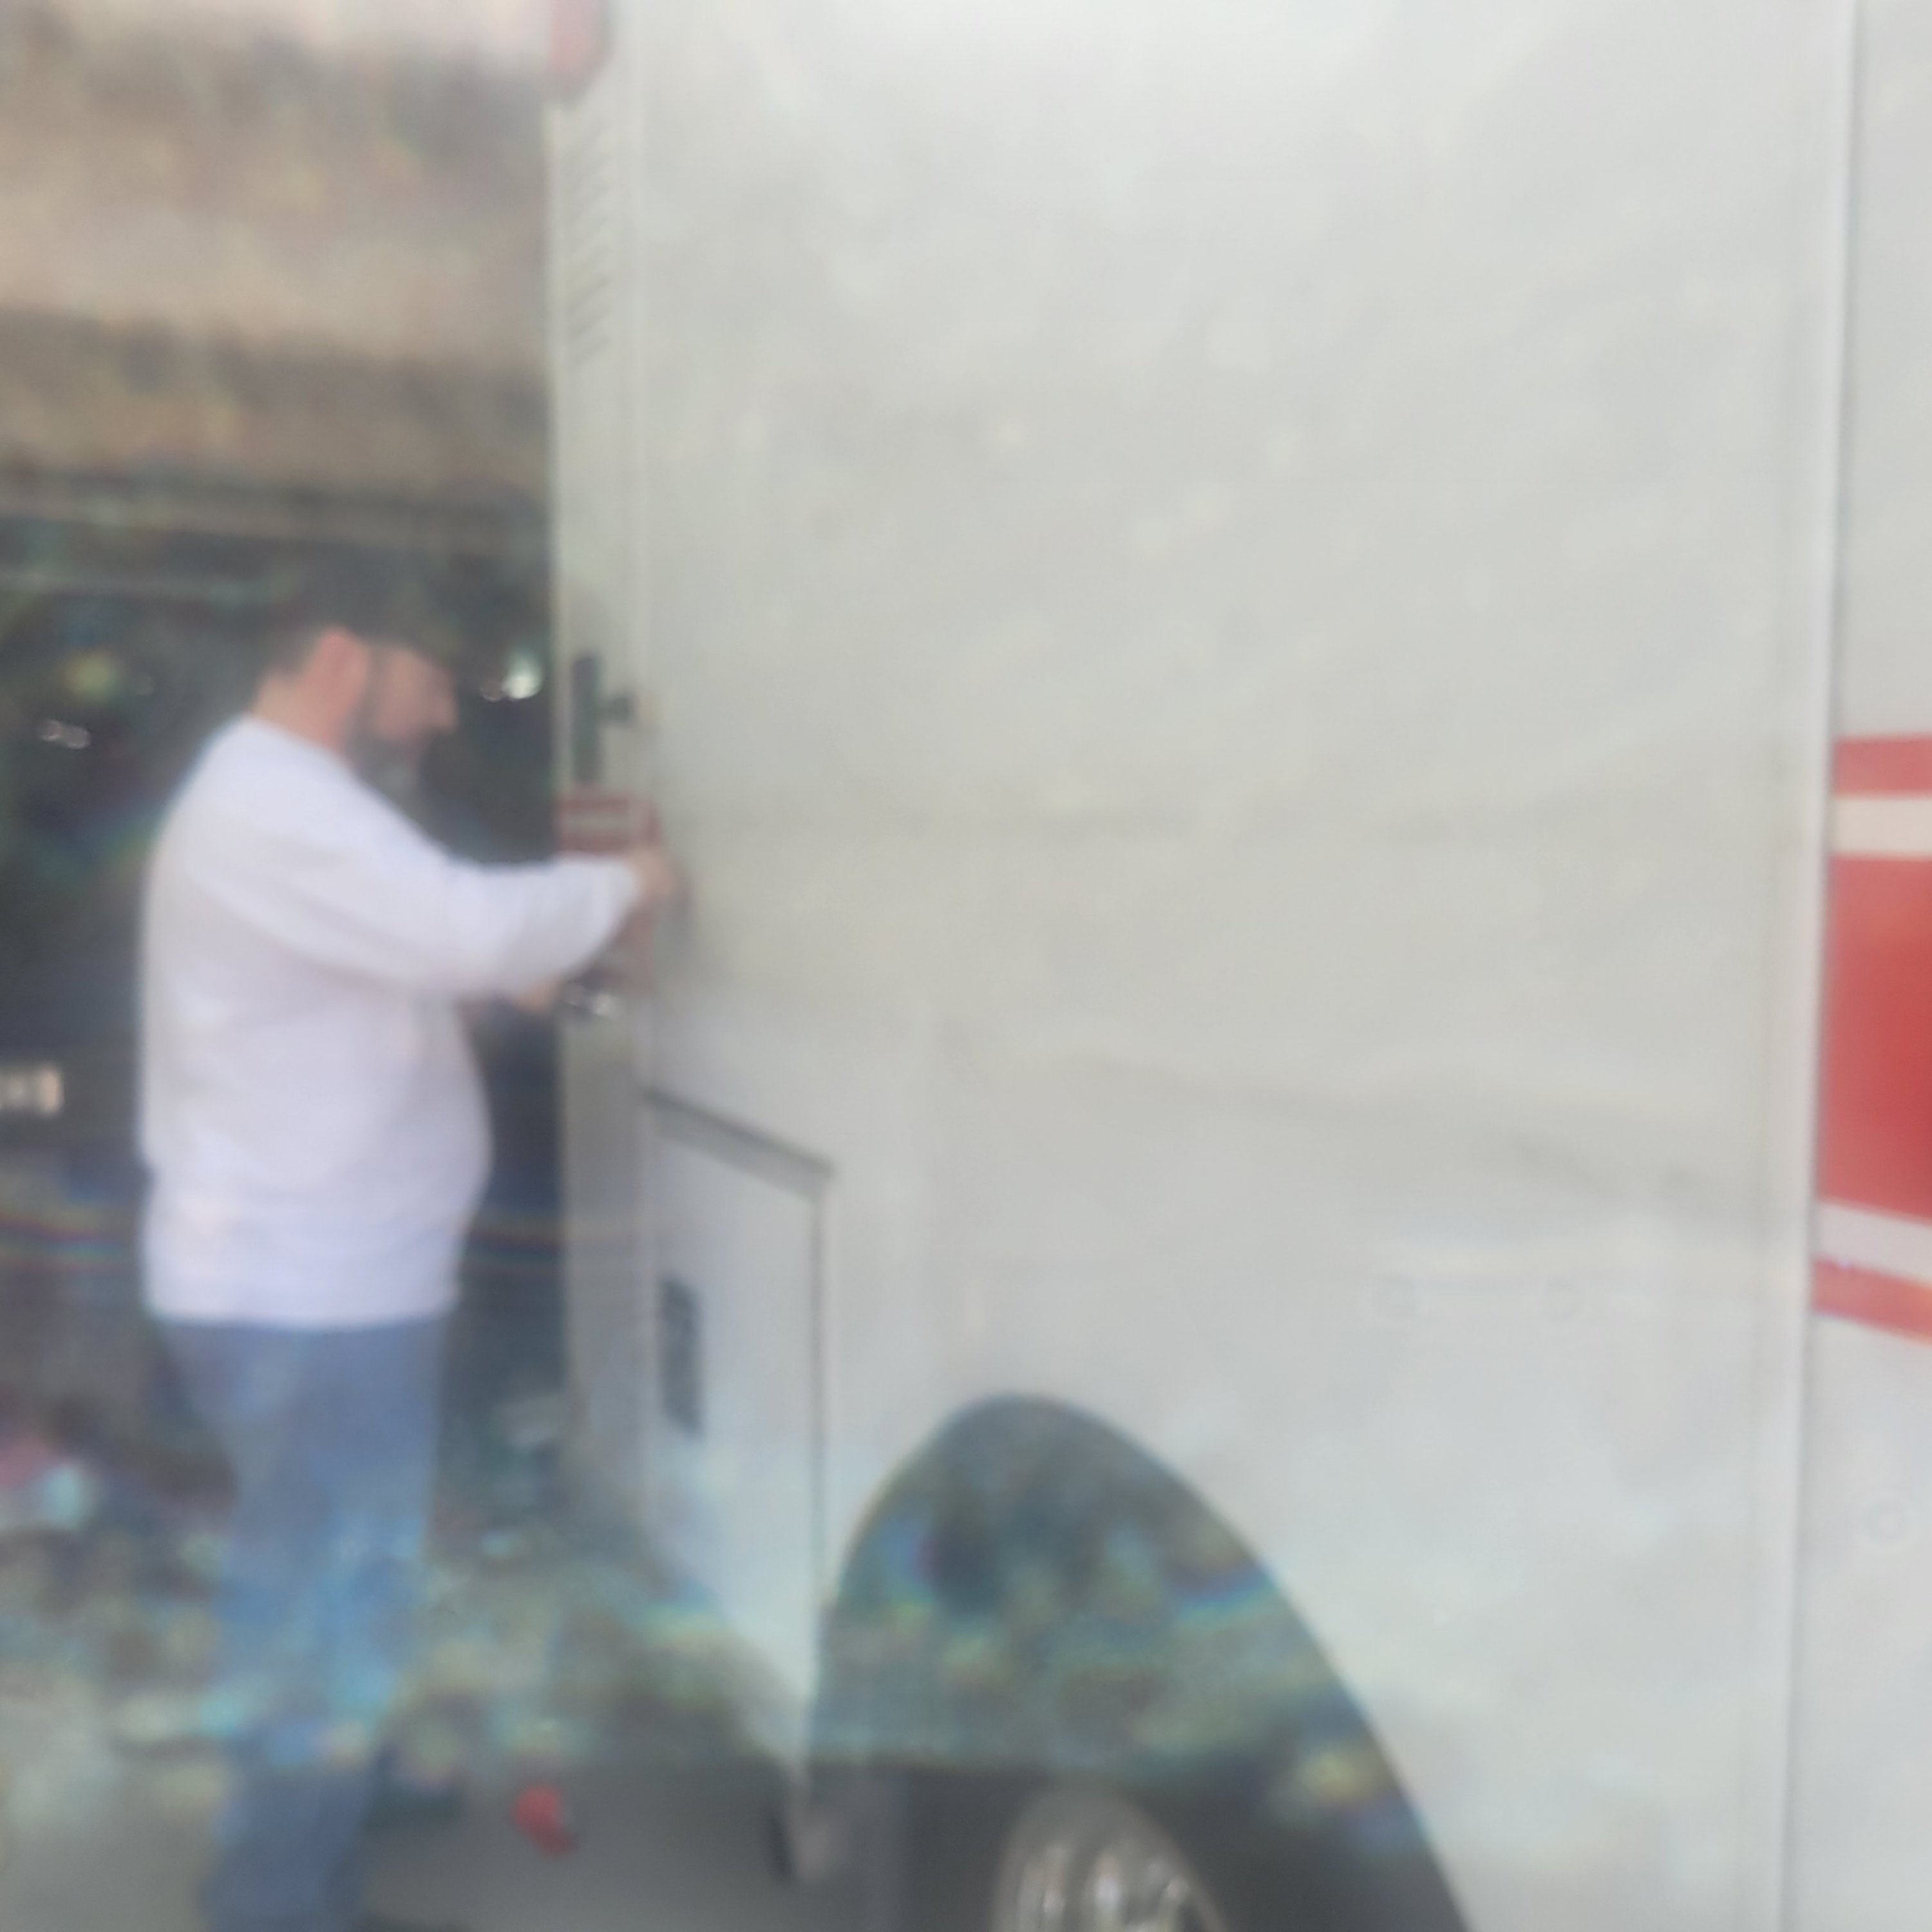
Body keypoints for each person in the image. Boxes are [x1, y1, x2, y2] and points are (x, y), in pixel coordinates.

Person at [138, 562, 677, 1932]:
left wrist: (497, 975)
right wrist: (630, 879)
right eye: (431, 685)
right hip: (310, 1299)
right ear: (343, 659)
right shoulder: (279, 806)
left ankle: (338, 1791)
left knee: (318, 1583)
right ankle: (278, 1899)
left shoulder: (282, 804)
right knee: (323, 1607)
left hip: (313, 1285)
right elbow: (463, 923)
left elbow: (414, 960)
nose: (442, 716)